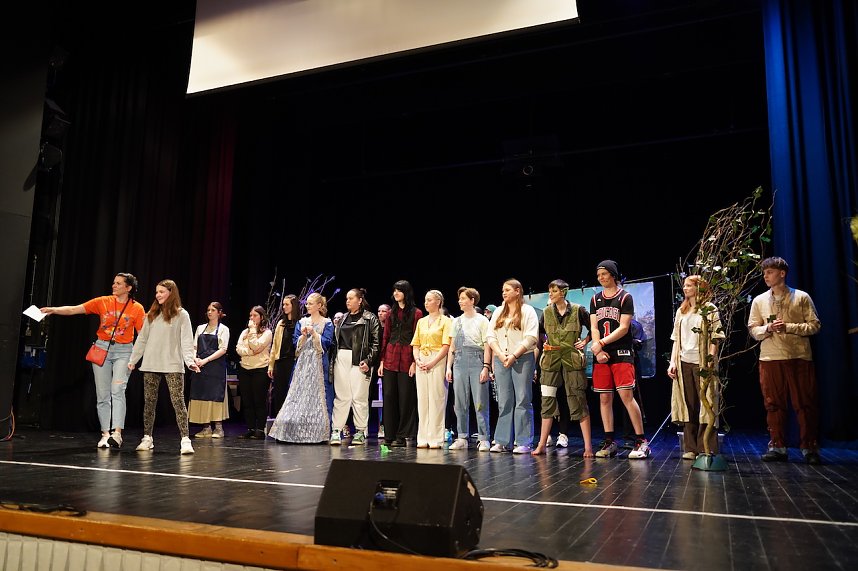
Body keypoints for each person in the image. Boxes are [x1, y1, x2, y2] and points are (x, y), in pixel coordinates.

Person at [40, 273, 145, 449]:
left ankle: (117, 433)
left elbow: (142, 336)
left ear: (128, 288)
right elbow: (74, 309)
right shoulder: (103, 301)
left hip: (124, 351)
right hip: (102, 349)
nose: (114, 285)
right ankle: (105, 434)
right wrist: (54, 310)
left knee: (117, 390)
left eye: (118, 284)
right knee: (102, 394)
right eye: (114, 282)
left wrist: (135, 357)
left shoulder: (137, 308)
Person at [748, 256, 822, 464]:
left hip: (798, 357)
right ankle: (777, 446)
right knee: (773, 404)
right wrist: (768, 328)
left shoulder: (801, 297)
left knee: (805, 403)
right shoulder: (759, 301)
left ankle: (809, 447)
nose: (765, 276)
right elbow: (753, 329)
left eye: (769, 272)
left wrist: (789, 327)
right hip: (770, 358)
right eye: (764, 273)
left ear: (782, 273)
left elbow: (815, 325)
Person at [128, 279, 200, 454]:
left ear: (171, 292)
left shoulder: (182, 314)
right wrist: (133, 359)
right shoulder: (152, 314)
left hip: (172, 363)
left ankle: (185, 439)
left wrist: (190, 361)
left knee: (178, 401)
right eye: (156, 292)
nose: (157, 295)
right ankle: (147, 437)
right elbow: (142, 339)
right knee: (149, 403)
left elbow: (186, 340)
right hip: (151, 363)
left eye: (161, 292)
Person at [589, 260, 651, 459]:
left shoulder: (625, 297)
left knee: (626, 396)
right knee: (604, 398)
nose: (601, 278)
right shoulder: (595, 299)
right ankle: (609, 441)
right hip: (601, 354)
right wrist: (598, 349)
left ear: (613, 275)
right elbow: (594, 327)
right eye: (598, 275)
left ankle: (641, 441)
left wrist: (602, 343)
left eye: (604, 274)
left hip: (622, 352)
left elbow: (624, 327)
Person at [532, 280, 594, 457]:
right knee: (547, 400)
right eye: (550, 291)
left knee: (578, 399)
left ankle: (588, 447)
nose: (550, 294)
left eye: (554, 291)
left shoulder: (578, 310)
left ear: (563, 292)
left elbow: (593, 328)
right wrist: (545, 343)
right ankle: (542, 444)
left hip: (571, 358)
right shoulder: (546, 312)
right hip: (551, 360)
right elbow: (540, 332)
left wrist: (585, 341)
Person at [667, 276, 725, 459]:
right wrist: (672, 362)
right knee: (689, 403)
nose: (685, 288)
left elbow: (716, 336)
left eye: (689, 285)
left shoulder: (709, 309)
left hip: (702, 362)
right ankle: (690, 448)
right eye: (684, 285)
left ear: (699, 288)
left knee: (705, 403)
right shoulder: (681, 311)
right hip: (684, 361)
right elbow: (676, 339)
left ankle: (705, 446)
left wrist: (710, 358)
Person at [268, 292, 334, 443]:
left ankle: (319, 433)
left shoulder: (327, 323)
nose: (307, 306)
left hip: (318, 362)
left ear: (319, 305)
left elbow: (327, 343)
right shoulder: (302, 322)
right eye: (307, 303)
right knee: (298, 392)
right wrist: (303, 335)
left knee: (318, 395)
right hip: (303, 362)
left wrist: (314, 333)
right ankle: (292, 432)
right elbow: (295, 344)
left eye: (310, 303)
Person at [486, 278, 539, 454]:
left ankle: (523, 441)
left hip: (523, 358)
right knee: (504, 400)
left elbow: (531, 337)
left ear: (517, 291)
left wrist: (514, 355)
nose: (504, 293)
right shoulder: (498, 311)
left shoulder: (527, 311)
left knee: (523, 399)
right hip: (501, 359)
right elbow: (490, 336)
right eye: (503, 290)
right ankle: (502, 440)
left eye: (507, 290)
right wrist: (501, 355)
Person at [329, 288, 380, 445]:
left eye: (351, 298)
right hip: (342, 358)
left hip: (360, 359)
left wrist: (369, 361)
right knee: (341, 396)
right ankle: (336, 430)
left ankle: (360, 431)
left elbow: (376, 343)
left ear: (360, 300)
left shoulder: (370, 318)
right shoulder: (343, 318)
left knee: (359, 396)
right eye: (347, 298)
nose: (348, 301)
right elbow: (336, 341)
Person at [445, 287, 492, 451]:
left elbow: (487, 346)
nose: (460, 301)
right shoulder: (456, 321)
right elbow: (452, 346)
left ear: (472, 300)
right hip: (459, 361)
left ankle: (484, 438)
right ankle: (462, 436)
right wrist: (449, 367)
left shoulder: (482, 320)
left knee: (480, 401)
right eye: (459, 299)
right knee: (460, 402)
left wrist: (486, 367)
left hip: (477, 359)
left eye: (463, 298)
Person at [378, 280, 423, 447]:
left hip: (407, 359)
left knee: (405, 398)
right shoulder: (391, 313)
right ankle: (389, 434)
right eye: (394, 290)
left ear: (406, 292)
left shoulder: (417, 313)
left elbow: (418, 338)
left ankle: (402, 436)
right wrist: (382, 361)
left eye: (399, 290)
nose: (396, 293)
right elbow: (386, 337)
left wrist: (414, 362)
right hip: (390, 358)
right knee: (389, 396)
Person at [411, 289, 453, 449]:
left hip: (438, 359)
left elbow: (446, 345)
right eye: (425, 300)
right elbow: (416, 344)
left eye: (429, 300)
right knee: (422, 399)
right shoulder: (421, 321)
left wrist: (432, 362)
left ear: (438, 302)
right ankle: (423, 437)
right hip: (422, 359)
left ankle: (436, 438)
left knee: (437, 399)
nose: (426, 303)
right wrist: (417, 360)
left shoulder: (446, 321)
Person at [189, 302, 230, 439]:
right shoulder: (200, 328)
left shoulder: (223, 329)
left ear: (219, 313)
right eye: (208, 310)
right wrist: (195, 359)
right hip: (200, 367)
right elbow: (194, 346)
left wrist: (205, 360)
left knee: (215, 395)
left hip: (215, 368)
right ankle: (206, 428)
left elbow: (223, 349)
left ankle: (218, 428)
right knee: (202, 395)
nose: (210, 312)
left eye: (213, 310)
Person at [235, 305, 273, 439]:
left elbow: (257, 345)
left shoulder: (267, 333)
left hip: (260, 369)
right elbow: (238, 349)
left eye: (255, 315)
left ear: (261, 317)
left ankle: (260, 429)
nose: (252, 318)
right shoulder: (244, 332)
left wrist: (252, 332)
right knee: (247, 400)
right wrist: (251, 352)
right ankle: (250, 428)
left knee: (259, 400)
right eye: (250, 315)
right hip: (245, 369)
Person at [268, 294, 300, 417]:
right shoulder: (281, 323)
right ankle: (279, 421)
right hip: (280, 362)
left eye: (287, 304)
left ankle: (292, 420)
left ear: (294, 306)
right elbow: (274, 346)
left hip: (293, 362)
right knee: (279, 393)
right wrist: (271, 365)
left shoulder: (300, 323)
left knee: (292, 393)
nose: (284, 307)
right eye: (283, 304)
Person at [373, 303, 391, 438]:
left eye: (384, 311)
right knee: (369, 395)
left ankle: (384, 425)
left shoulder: (391, 328)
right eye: (379, 311)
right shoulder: (375, 327)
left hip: (386, 363)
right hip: (373, 363)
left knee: (387, 395)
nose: (380, 313)